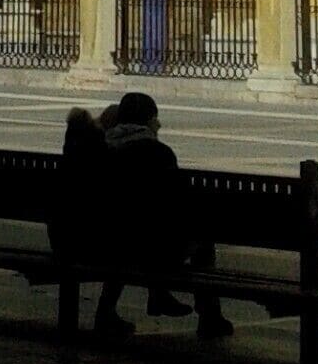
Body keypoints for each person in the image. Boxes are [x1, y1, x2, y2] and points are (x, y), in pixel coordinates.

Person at [90, 91, 233, 345]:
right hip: (146, 246)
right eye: (155, 118)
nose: (159, 123)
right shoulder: (158, 152)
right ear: (148, 120)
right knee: (201, 241)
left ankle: (109, 309)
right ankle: (209, 314)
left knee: (124, 235)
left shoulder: (100, 149)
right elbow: (174, 204)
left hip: (102, 242)